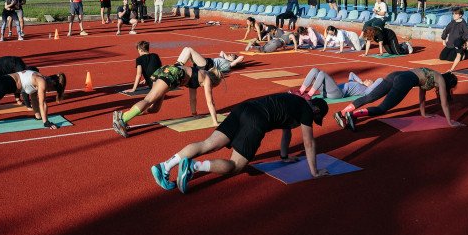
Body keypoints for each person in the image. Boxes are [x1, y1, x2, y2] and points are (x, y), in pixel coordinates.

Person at [150, 93, 329, 193]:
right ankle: (193, 167)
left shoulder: (295, 101)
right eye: (316, 117)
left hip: (244, 108)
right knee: (236, 165)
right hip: (256, 119)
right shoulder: (307, 110)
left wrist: (284, 156)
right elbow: (309, 142)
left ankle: (164, 166)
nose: (313, 120)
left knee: (209, 143)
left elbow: (286, 132)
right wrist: (314, 172)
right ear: (316, 109)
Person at [112, 63, 223, 137]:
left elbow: (193, 98)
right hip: (171, 74)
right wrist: (214, 121)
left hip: (167, 72)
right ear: (214, 81)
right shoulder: (207, 78)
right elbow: (210, 101)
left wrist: (194, 114)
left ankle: (122, 115)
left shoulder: (199, 77)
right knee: (148, 100)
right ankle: (122, 119)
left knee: (154, 109)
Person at [334, 68, 460, 131]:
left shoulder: (432, 74)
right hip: (404, 81)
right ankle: (353, 114)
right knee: (382, 108)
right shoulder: (441, 80)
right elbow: (444, 103)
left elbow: (422, 96)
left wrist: (423, 113)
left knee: (369, 97)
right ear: (449, 83)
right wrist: (450, 122)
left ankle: (342, 113)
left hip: (396, 74)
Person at [297, 68, 384, 100]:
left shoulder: (365, 90)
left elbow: (380, 80)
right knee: (314, 70)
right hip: (328, 91)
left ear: (371, 86)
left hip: (338, 93)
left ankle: (309, 94)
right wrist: (361, 81)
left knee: (322, 73)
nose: (368, 79)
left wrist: (372, 84)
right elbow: (351, 73)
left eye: (370, 81)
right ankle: (301, 91)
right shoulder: (354, 82)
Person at [439, 8, 468, 75]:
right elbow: (446, 31)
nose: (454, 15)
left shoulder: (463, 24)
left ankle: (465, 55)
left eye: (456, 14)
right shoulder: (452, 22)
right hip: (450, 44)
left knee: (451, 58)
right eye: (453, 14)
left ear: (460, 15)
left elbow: (467, 35)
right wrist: (444, 40)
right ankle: (461, 54)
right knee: (442, 57)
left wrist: (466, 45)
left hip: (458, 45)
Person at [176, 46, 244, 74]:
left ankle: (177, 67)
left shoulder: (229, 65)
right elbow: (222, 52)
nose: (230, 54)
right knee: (186, 48)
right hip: (205, 62)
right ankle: (177, 65)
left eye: (232, 55)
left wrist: (233, 61)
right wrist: (227, 57)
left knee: (189, 50)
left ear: (233, 60)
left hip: (208, 65)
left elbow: (241, 57)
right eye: (230, 54)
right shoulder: (224, 60)